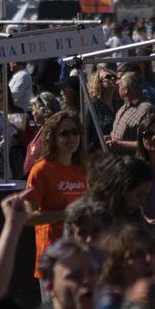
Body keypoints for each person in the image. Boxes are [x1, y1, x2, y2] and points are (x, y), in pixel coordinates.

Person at [0, 193, 101, 309]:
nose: (86, 281)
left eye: (92, 273)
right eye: (74, 276)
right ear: (50, 285)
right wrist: (13, 225)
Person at [26, 109, 90, 273]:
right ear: (53, 137)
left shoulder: (82, 168)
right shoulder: (41, 170)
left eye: (75, 132)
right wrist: (66, 214)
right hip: (52, 256)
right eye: (64, 133)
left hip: (80, 254)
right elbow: (28, 217)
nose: (71, 138)